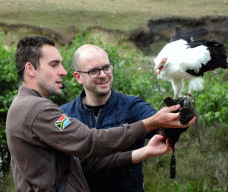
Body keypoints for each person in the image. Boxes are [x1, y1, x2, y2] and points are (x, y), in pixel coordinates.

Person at [6, 36, 196, 192]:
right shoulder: (44, 112)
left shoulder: (37, 110)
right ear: (30, 69)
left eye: (106, 67)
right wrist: (148, 124)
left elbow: (82, 163)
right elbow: (89, 141)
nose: (62, 72)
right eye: (54, 64)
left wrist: (146, 148)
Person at [60, 44, 194, 191]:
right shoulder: (63, 115)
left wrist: (180, 115)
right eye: (94, 71)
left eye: (106, 67)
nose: (103, 74)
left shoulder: (133, 105)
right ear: (78, 77)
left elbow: (162, 127)